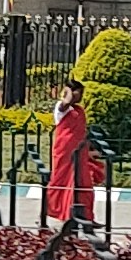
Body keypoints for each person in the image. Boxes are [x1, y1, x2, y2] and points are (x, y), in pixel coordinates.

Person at [45, 75, 104, 228]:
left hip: (80, 153)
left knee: (84, 185)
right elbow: (66, 102)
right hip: (65, 153)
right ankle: (65, 215)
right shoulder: (61, 108)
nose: (81, 97)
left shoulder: (80, 111)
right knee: (64, 183)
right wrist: (68, 91)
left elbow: (82, 132)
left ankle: (87, 218)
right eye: (79, 93)